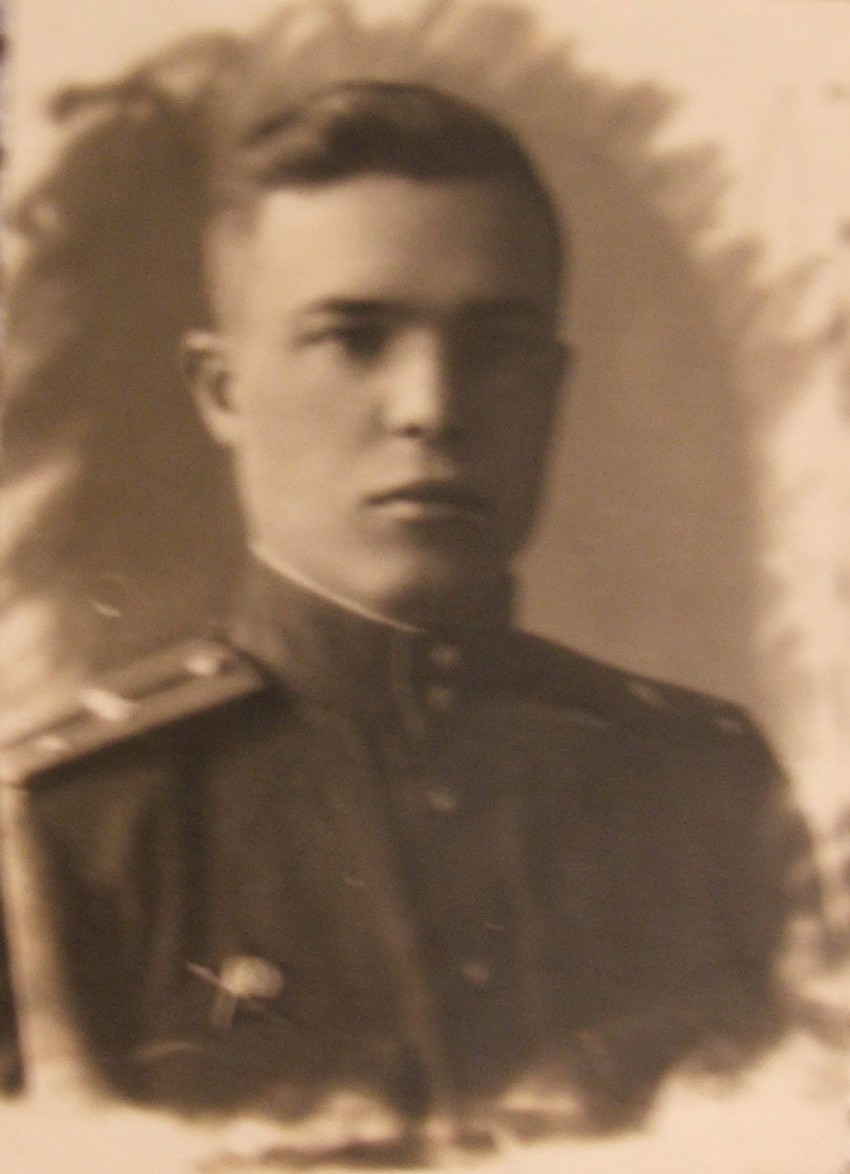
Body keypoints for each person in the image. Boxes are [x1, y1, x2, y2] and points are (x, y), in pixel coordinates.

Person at [0, 4, 820, 1166]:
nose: (432, 406)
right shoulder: (68, 833)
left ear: (551, 390)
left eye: (494, 346)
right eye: (354, 337)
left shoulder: (713, 797)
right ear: (223, 391)